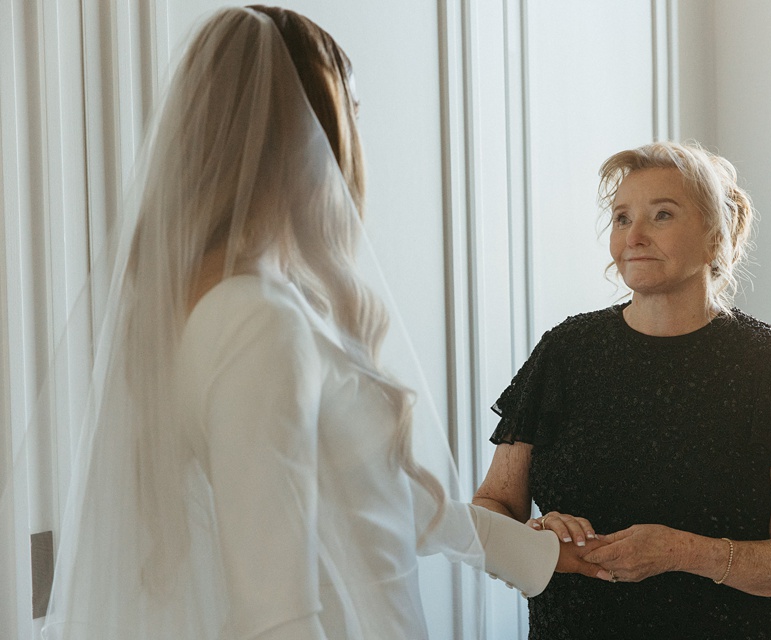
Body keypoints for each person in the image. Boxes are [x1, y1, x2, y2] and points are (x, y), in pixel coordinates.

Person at [41, 6, 605, 640]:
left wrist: (543, 555)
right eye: (351, 117)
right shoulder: (257, 320)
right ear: (306, 136)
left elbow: (377, 497)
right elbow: (275, 613)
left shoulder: (240, 302)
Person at [473, 141, 771, 638]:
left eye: (662, 215)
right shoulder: (564, 353)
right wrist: (537, 541)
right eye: (622, 218)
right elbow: (491, 508)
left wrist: (682, 552)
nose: (635, 236)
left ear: (716, 239)